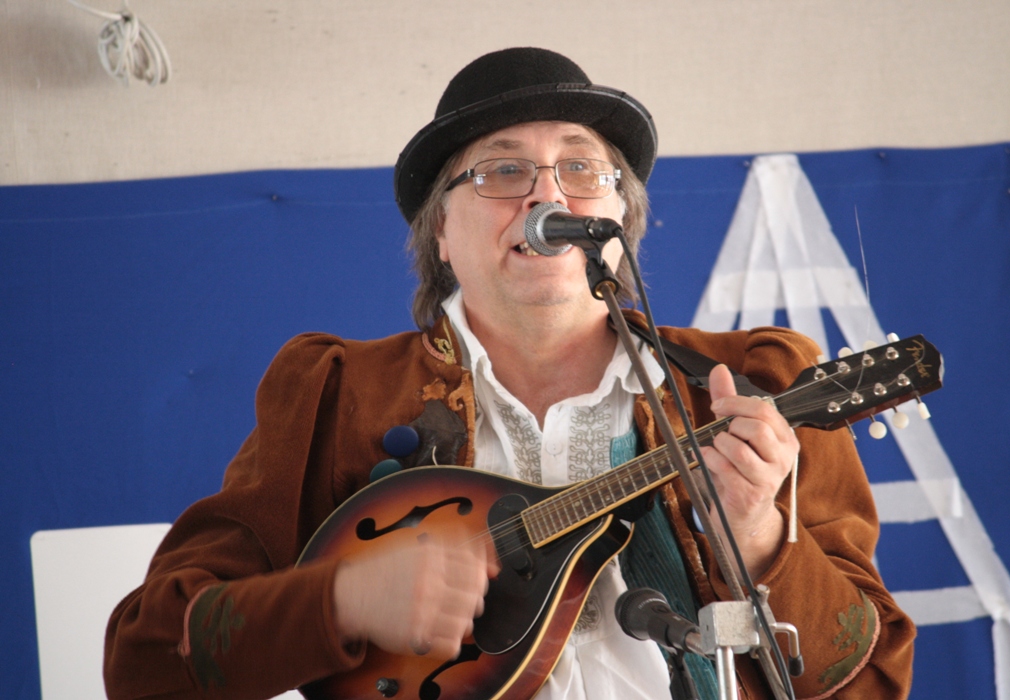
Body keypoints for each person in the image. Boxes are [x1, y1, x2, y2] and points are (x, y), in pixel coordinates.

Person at [104, 47, 915, 700]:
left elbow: (875, 682)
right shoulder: (338, 395)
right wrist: (342, 601)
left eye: (582, 169)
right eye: (502, 171)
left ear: (618, 217)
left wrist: (761, 538)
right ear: (441, 232)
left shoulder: (747, 387)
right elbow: (148, 664)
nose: (546, 197)